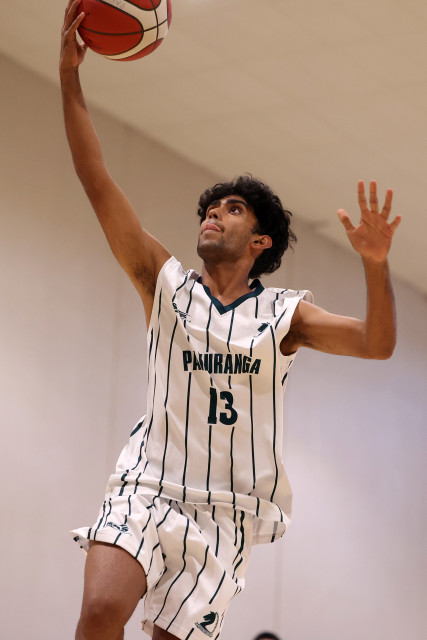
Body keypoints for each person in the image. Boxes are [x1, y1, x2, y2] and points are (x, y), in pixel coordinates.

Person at [60, 2, 402, 640]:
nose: (213, 213)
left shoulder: (285, 314)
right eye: (210, 208)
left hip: (226, 514)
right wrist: (69, 76)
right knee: (101, 610)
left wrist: (376, 265)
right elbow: (96, 179)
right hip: (148, 483)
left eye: (233, 208)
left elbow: (377, 345)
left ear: (261, 242)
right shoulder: (163, 283)